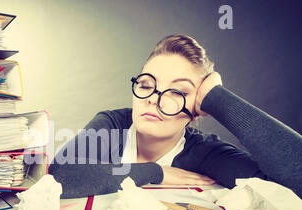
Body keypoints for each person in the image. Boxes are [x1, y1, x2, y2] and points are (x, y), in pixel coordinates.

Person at [49, 35, 302, 199]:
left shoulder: (205, 153)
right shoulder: (112, 124)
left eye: (178, 92)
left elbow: (294, 182)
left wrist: (218, 100)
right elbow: (61, 176)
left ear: (197, 110)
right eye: (147, 85)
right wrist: (157, 173)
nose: (153, 98)